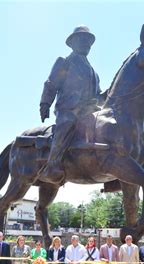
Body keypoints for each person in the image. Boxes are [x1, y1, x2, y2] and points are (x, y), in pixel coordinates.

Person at [38, 25, 103, 184]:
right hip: (69, 110)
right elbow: (51, 84)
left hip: (90, 112)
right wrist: (45, 104)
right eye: (82, 39)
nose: (86, 43)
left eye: (88, 41)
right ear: (72, 42)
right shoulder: (64, 62)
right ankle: (51, 166)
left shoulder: (94, 73)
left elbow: (99, 97)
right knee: (66, 124)